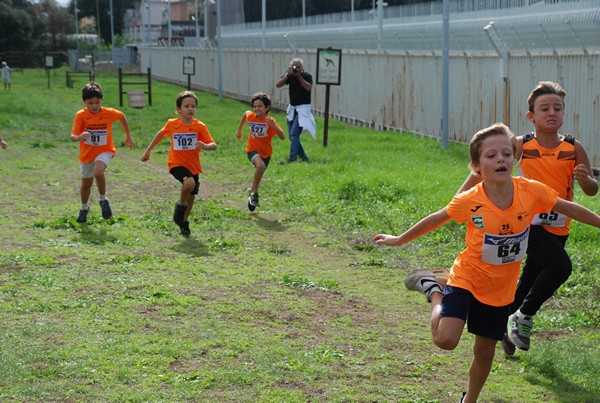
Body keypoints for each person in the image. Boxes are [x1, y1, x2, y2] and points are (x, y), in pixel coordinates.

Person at [373, 123, 600, 403]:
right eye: (491, 156)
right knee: (445, 340)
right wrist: (399, 239)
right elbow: (436, 218)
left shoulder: (530, 191)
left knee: (484, 352)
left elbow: (569, 208)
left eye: (506, 153)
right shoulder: (470, 200)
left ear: (514, 160)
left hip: (500, 288)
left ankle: (470, 400)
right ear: (477, 167)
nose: (501, 159)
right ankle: (434, 289)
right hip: (468, 275)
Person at [457, 82, 598, 355]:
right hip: (525, 222)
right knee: (560, 267)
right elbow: (487, 168)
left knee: (528, 282)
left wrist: (587, 179)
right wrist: (461, 198)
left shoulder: (572, 147)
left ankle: (502, 328)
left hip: (559, 226)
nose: (552, 113)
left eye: (557, 108)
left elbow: (591, 190)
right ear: (531, 116)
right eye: (544, 108)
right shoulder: (522, 144)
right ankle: (522, 317)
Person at [141, 90, 217, 236]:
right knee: (189, 184)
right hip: (176, 164)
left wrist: (205, 146)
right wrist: (148, 150)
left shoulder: (199, 126)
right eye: (186, 106)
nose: (190, 109)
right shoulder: (172, 124)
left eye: (193, 106)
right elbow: (161, 134)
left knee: (192, 195)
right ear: (178, 110)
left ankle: (183, 221)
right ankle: (180, 207)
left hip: (193, 166)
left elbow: (213, 144)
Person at [70, 82, 136, 223]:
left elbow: (121, 116)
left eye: (97, 102)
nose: (94, 106)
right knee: (86, 185)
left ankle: (103, 200)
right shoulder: (81, 115)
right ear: (84, 102)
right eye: (90, 103)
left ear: (101, 100)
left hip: (105, 150)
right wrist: (79, 137)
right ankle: (84, 208)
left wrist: (128, 136)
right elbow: (73, 136)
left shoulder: (108, 113)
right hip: (87, 154)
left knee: (98, 172)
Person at [235, 92, 285, 211]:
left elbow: (282, 136)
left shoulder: (270, 121)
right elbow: (245, 114)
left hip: (266, 153)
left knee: (261, 170)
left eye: (260, 106)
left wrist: (273, 126)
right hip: (252, 150)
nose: (257, 108)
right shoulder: (251, 116)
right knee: (260, 166)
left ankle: (251, 192)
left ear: (267, 108)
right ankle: (255, 194)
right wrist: (239, 130)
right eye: (255, 106)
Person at [275, 58, 316, 163]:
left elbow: (308, 88)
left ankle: (292, 158)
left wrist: (299, 77)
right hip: (293, 108)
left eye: (298, 67)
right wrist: (287, 75)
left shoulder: (307, 76)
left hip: (303, 109)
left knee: (294, 134)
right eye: (294, 66)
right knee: (292, 136)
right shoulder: (289, 76)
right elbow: (278, 84)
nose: (296, 69)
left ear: (302, 67)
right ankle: (304, 159)